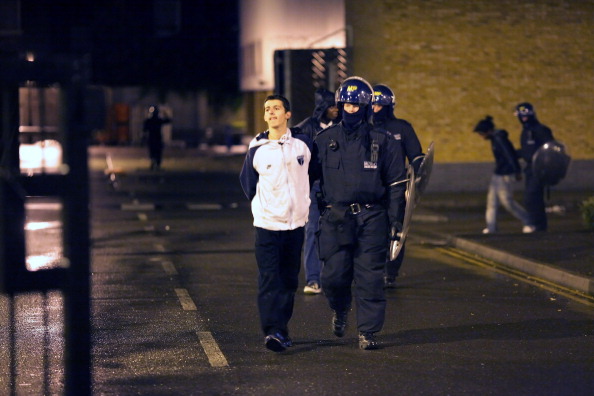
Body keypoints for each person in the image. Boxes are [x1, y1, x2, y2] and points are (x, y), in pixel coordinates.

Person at [313, 76, 406, 350]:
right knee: (333, 276)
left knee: (370, 278)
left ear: (366, 107)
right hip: (336, 218)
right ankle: (340, 309)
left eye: (356, 105)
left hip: (372, 218)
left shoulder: (383, 141)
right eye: (346, 105)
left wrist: (395, 219)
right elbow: (306, 177)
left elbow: (397, 184)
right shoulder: (324, 139)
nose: (351, 109)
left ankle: (368, 331)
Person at [239, 94, 314, 352]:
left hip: (295, 226)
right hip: (267, 226)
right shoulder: (257, 148)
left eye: (276, 108)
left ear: (288, 114)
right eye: (267, 109)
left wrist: (302, 202)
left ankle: (281, 328)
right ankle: (273, 331)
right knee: (269, 279)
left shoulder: (303, 145)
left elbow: (313, 176)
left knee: (289, 281)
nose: (271, 113)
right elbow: (248, 184)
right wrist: (266, 207)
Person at [371, 84, 424, 289]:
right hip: (370, 187)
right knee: (371, 232)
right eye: (373, 105)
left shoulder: (402, 127)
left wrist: (418, 176)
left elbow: (416, 157)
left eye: (380, 105)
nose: (376, 108)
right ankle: (371, 271)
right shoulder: (365, 127)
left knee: (395, 231)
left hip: (396, 187)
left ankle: (390, 273)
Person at [294, 88, 340, 295]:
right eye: (332, 106)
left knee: (338, 232)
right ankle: (313, 279)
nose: (336, 110)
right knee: (312, 231)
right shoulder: (306, 128)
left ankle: (336, 277)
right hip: (313, 187)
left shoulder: (342, 127)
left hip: (336, 188)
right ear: (322, 108)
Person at [473, 115, 532, 234]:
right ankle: (491, 227)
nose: (481, 136)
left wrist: (517, 171)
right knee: (492, 201)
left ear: (487, 131)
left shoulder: (499, 139)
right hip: (498, 173)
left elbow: (509, 155)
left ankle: (528, 221)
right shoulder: (495, 138)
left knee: (507, 202)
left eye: (481, 133)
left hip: (506, 174)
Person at [514, 102, 554, 232]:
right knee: (532, 197)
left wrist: (546, 167)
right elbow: (527, 150)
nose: (523, 118)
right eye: (521, 116)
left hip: (539, 168)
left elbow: (549, 149)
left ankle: (537, 225)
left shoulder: (540, 130)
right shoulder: (526, 131)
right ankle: (539, 226)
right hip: (530, 168)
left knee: (532, 196)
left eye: (526, 115)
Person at [142, 105, 171, 170]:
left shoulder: (149, 120)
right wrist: (165, 113)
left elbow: (144, 130)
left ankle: (154, 164)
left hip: (153, 138)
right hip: (156, 138)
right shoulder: (157, 120)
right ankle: (156, 164)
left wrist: (144, 138)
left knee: (154, 151)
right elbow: (168, 120)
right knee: (157, 152)